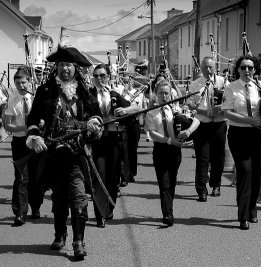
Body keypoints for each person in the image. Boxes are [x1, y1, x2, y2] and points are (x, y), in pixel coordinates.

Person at [25, 44, 102, 260]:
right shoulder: (45, 91)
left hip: (77, 153)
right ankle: (60, 234)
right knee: (58, 198)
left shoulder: (87, 91)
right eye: (60, 64)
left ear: (75, 67)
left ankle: (78, 241)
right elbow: (33, 119)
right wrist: (35, 136)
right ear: (56, 67)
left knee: (78, 196)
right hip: (53, 153)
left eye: (68, 64)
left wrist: (94, 124)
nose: (64, 68)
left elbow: (96, 115)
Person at [222, 55, 261, 230]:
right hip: (239, 134)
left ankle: (252, 208)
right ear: (238, 70)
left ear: (255, 69)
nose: (247, 70)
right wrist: (249, 120)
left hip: (260, 134)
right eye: (243, 67)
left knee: (256, 173)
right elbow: (227, 112)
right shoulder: (231, 88)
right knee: (245, 171)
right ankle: (243, 216)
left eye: (250, 67)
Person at [89, 64, 140, 228]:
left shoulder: (114, 94)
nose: (99, 79)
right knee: (99, 176)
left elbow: (137, 108)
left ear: (108, 77)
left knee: (112, 177)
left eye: (102, 75)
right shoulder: (88, 95)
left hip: (114, 139)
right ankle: (100, 213)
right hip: (97, 140)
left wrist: (125, 111)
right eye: (96, 76)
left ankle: (109, 206)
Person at [146, 81, 200, 227]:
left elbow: (196, 122)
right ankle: (167, 214)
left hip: (175, 151)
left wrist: (188, 131)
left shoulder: (176, 110)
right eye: (161, 93)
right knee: (164, 183)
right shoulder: (151, 112)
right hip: (161, 149)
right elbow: (152, 133)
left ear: (171, 94)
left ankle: (169, 209)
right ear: (155, 95)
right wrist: (169, 140)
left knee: (172, 182)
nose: (164, 96)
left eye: (166, 93)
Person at [4, 66, 45, 226]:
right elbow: (8, 125)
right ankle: (20, 212)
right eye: (18, 83)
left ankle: (36, 206)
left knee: (36, 177)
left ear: (30, 82)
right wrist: (26, 127)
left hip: (37, 141)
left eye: (24, 83)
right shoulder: (12, 100)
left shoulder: (36, 98)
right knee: (21, 177)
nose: (21, 86)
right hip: (20, 142)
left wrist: (40, 123)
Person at [188, 56, 227, 202]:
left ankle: (216, 185)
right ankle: (201, 189)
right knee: (202, 158)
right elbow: (190, 104)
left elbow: (230, 102)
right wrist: (204, 111)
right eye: (205, 67)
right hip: (201, 124)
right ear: (201, 68)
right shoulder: (195, 84)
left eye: (211, 67)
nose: (208, 70)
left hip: (219, 123)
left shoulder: (224, 82)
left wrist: (220, 109)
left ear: (215, 67)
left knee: (218, 158)